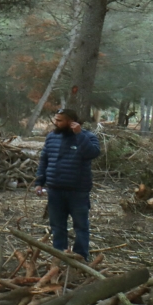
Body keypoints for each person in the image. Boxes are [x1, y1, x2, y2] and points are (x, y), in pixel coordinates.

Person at [34, 108, 101, 259]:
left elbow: (93, 153)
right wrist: (39, 182)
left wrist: (79, 134)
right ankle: (59, 256)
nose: (55, 123)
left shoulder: (87, 137)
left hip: (78, 191)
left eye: (59, 120)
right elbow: (44, 160)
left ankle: (80, 257)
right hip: (55, 190)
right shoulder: (52, 137)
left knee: (81, 226)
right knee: (57, 226)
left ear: (70, 121)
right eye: (55, 119)